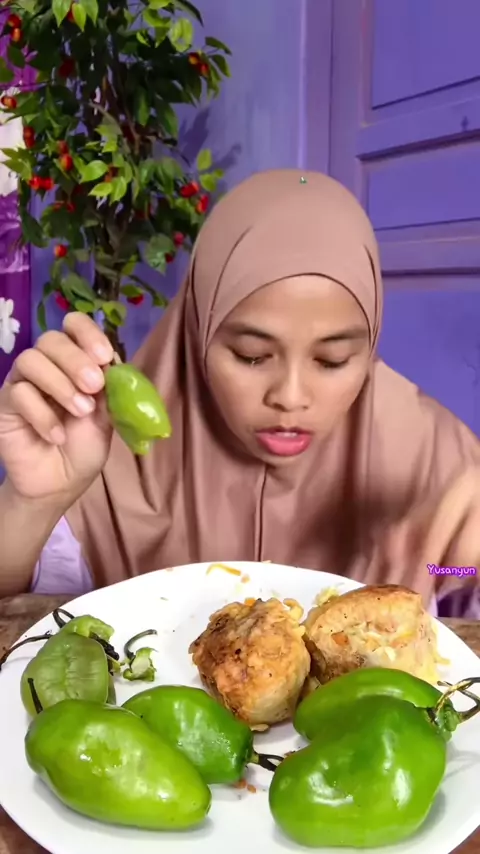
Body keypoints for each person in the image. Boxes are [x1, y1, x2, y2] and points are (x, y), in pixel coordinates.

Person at [0, 169, 479, 616]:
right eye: (251, 355)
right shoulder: (105, 445)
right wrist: (30, 504)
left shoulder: (431, 453)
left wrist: (444, 566)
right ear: (198, 333)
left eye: (332, 360)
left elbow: (460, 581)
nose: (290, 396)